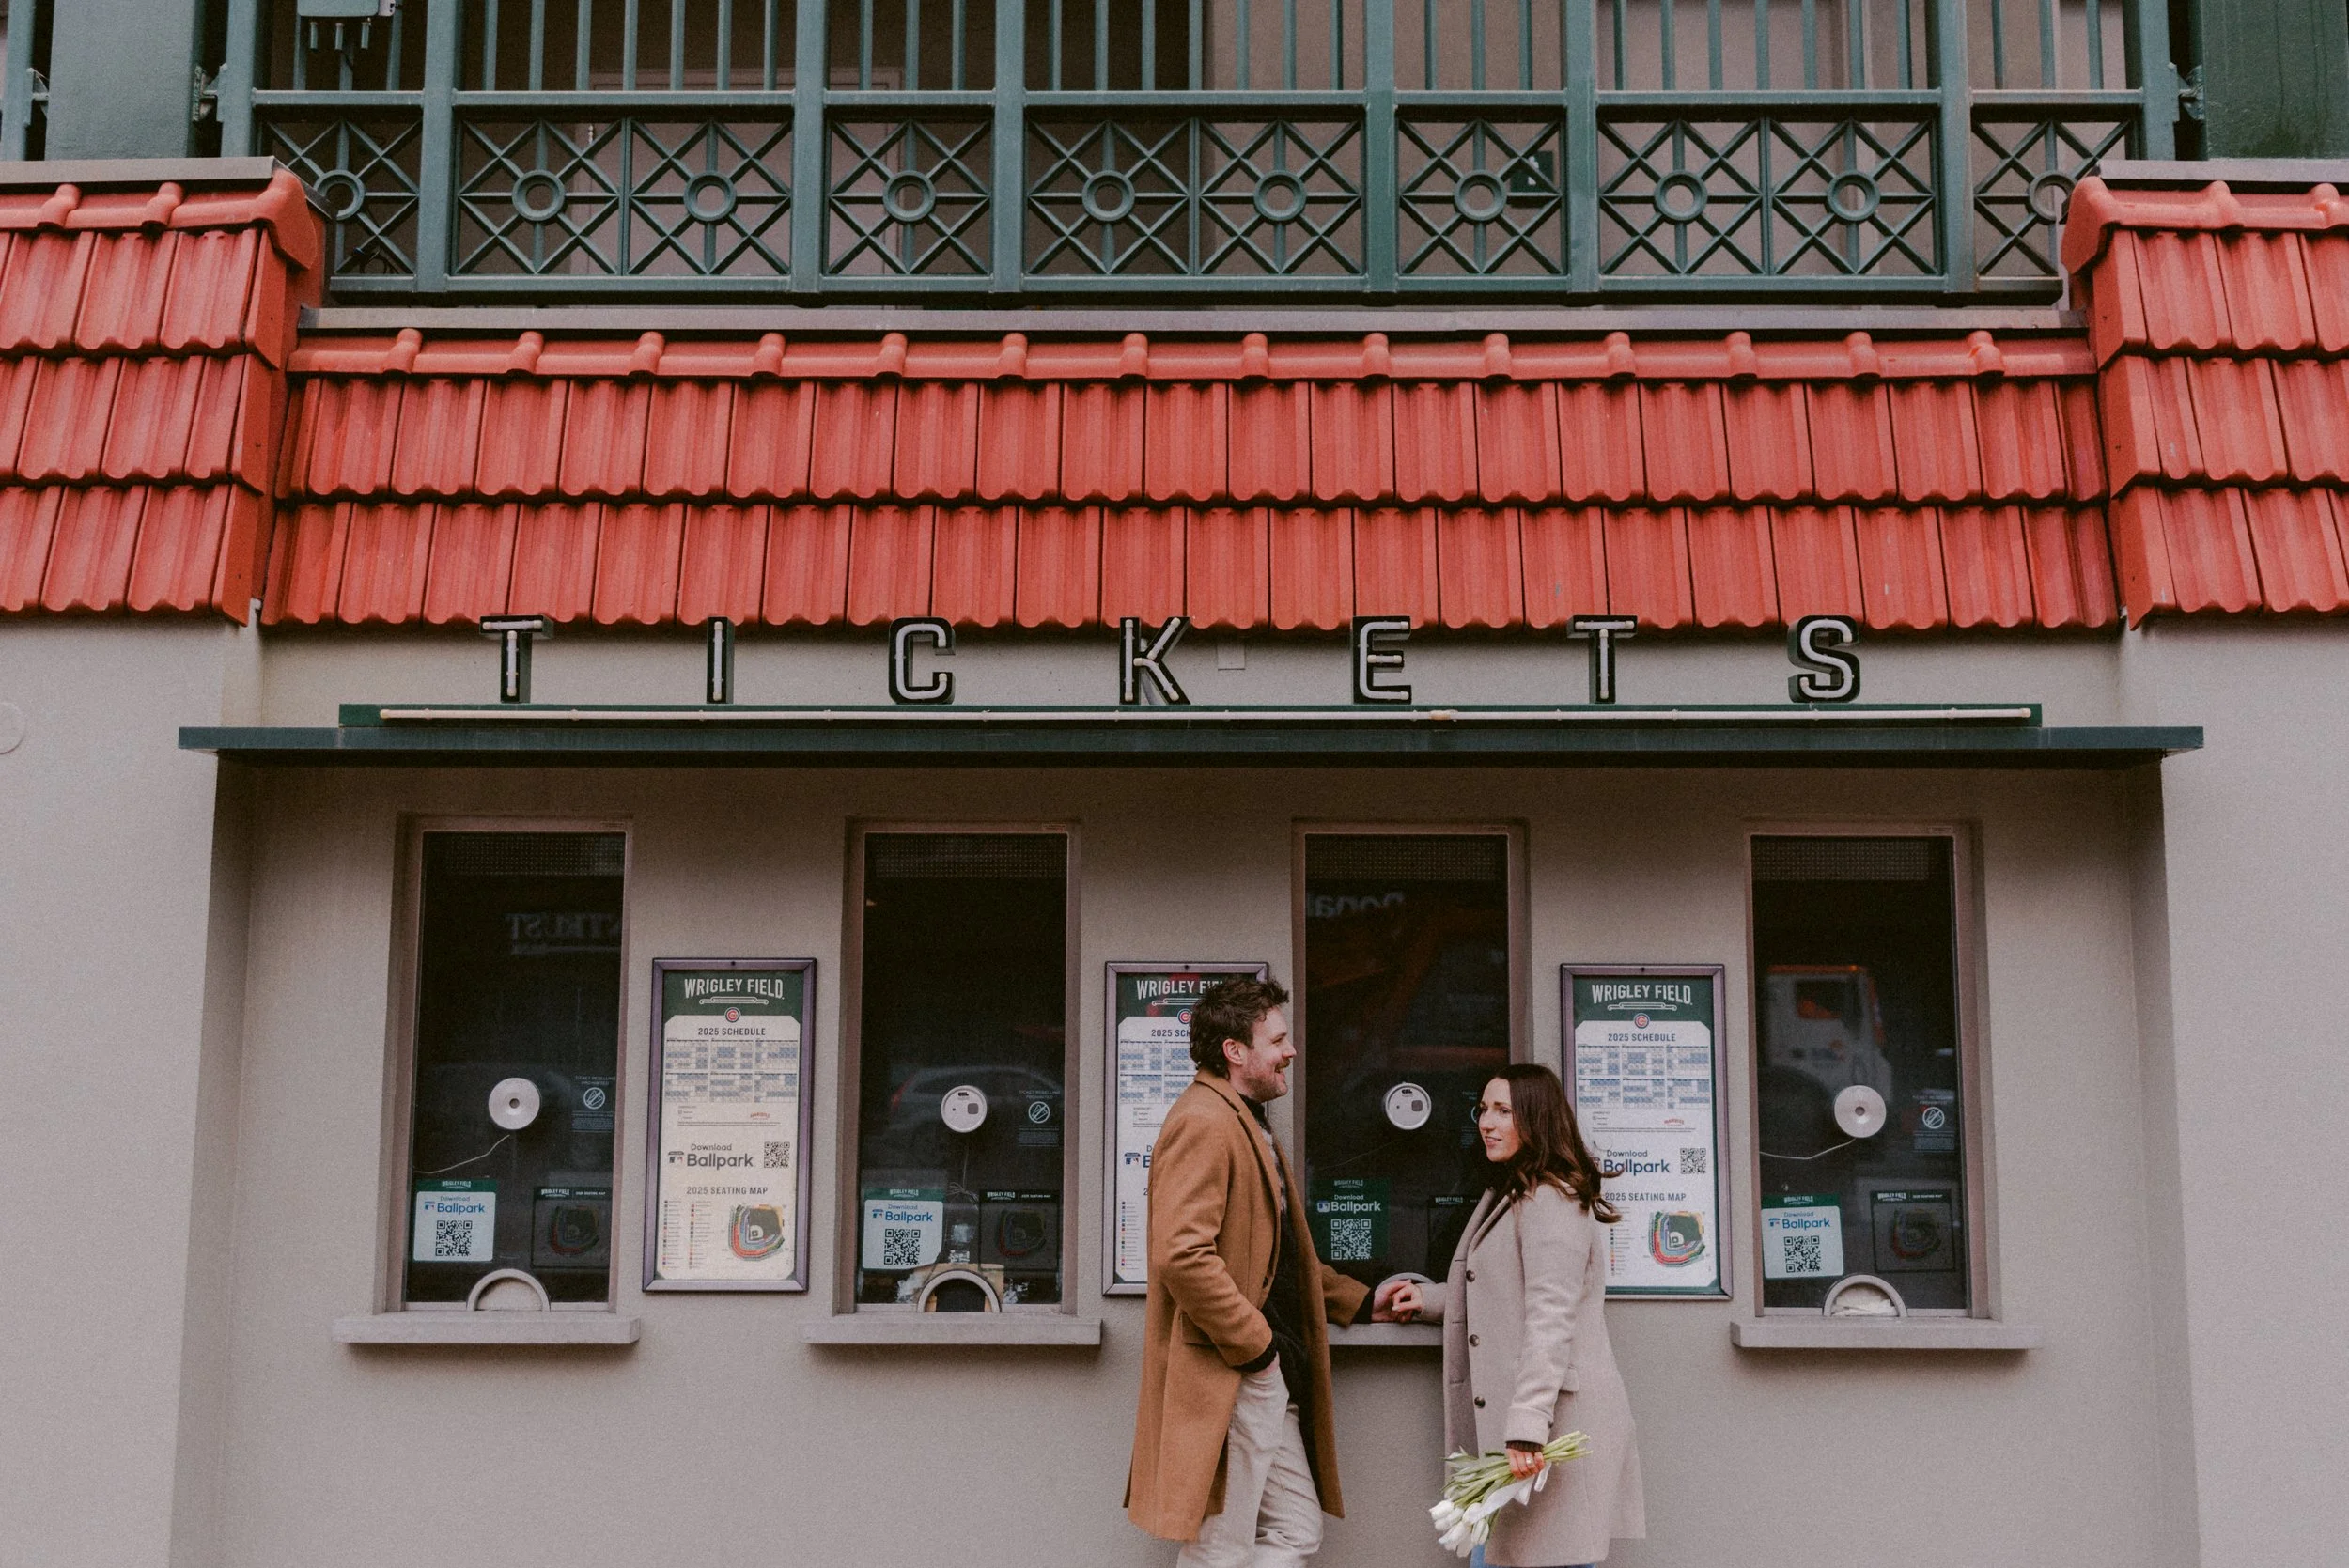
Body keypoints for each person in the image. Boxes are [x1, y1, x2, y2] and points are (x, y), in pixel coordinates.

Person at [1125, 975, 1404, 1567]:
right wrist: (1255, 1347)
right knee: (1220, 1546)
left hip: (1254, 1368)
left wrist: (1356, 1299)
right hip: (1234, 1368)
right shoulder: (1205, 1120)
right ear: (1235, 1051)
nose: (1291, 1050)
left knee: (1296, 1530)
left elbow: (1277, 1251)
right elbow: (1181, 1254)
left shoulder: (1240, 1116)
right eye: (1277, 1039)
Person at [1385, 1063, 1646, 1568]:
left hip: (1548, 1430)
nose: (1487, 1122)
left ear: (1537, 1119)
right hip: (1528, 1436)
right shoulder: (1516, 1192)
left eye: (1504, 1111)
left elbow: (1551, 1316)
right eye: (1483, 1110)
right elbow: (1497, 1288)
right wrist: (1428, 1300)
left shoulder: (1553, 1197)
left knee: (1530, 1559)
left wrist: (1527, 1427)